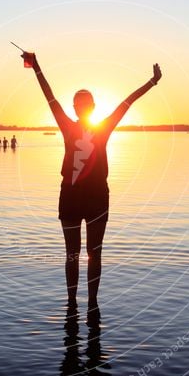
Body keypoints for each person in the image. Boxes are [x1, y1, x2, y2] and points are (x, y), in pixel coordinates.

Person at [23, 51, 162, 313]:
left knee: (75, 254)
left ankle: (76, 304)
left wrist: (37, 67)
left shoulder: (71, 126)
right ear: (92, 107)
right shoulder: (102, 127)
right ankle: (88, 305)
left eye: (78, 105)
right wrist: (152, 82)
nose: (79, 108)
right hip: (87, 197)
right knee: (90, 253)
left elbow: (50, 96)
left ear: (77, 108)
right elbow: (126, 102)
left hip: (83, 197)